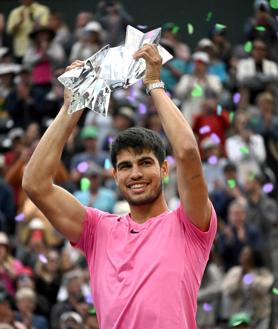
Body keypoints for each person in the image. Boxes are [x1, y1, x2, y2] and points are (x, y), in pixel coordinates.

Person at [22, 44, 217, 328]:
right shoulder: (97, 229)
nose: (135, 173)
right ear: (114, 175)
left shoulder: (189, 224)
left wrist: (154, 84)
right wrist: (72, 106)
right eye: (125, 166)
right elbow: (35, 183)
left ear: (164, 169)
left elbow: (187, 151)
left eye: (145, 163)